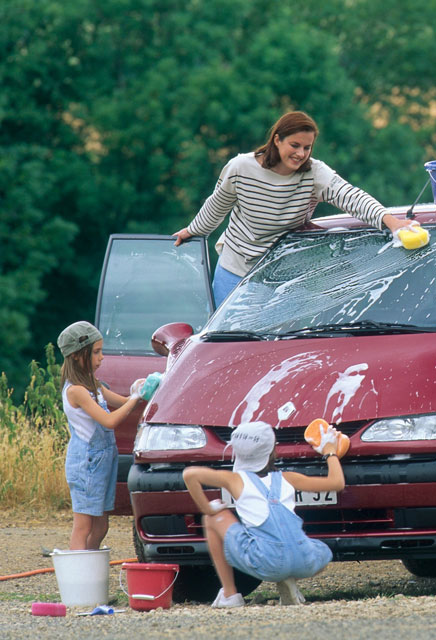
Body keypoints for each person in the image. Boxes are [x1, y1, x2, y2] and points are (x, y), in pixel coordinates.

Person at [173, 111, 413, 306]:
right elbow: (217, 205)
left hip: (284, 274)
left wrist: (392, 223)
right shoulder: (240, 168)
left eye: (307, 147)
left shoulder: (314, 174)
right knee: (230, 343)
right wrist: (192, 231)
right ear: (277, 140)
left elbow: (352, 197)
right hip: (235, 267)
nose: (300, 153)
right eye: (294, 145)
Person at [182, 420, 346, 608]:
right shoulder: (288, 478)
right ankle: (289, 579)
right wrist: (330, 451)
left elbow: (190, 475)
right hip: (305, 562)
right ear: (273, 451)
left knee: (211, 518)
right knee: (320, 551)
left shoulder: (235, 480)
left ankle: (230, 595)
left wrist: (207, 509)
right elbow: (337, 483)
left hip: (267, 563)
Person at [58, 321, 148, 550]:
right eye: (96, 352)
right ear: (79, 355)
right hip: (86, 464)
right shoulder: (76, 391)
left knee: (100, 527)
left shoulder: (93, 384)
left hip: (102, 462)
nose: (102, 357)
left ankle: (89, 565)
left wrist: (140, 390)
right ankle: (78, 575)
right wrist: (136, 400)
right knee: (84, 526)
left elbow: (123, 401)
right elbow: (110, 420)